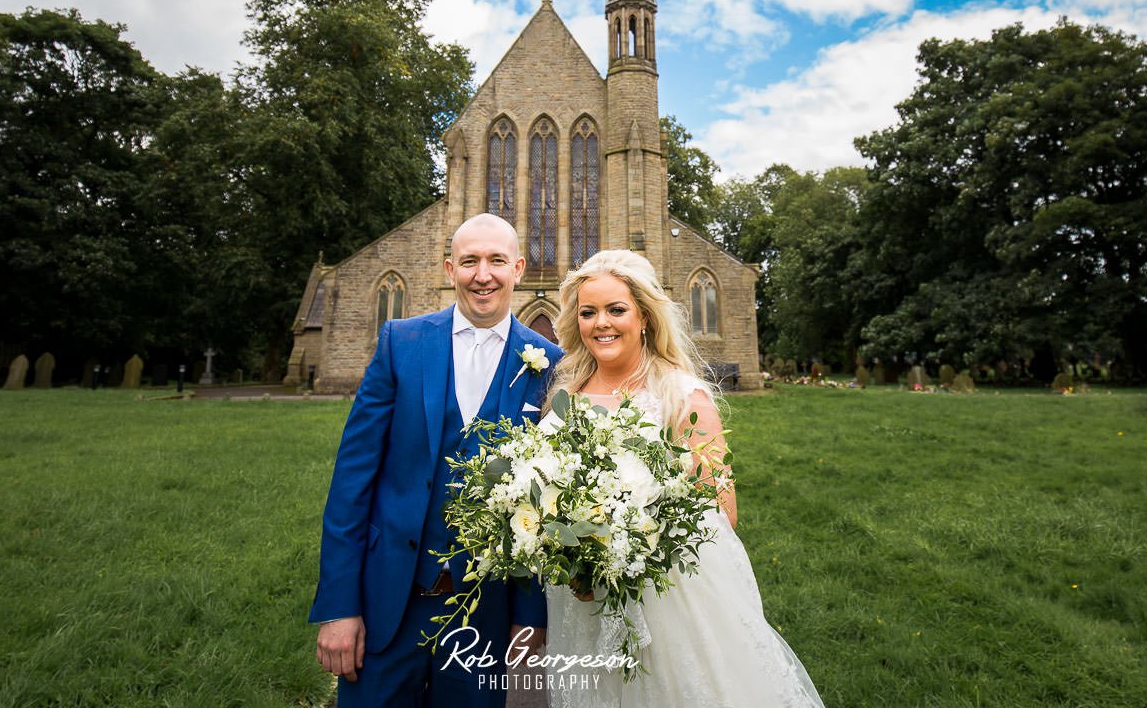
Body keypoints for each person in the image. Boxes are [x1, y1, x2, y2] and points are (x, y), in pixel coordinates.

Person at [542, 249, 825, 707]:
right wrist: (570, 553)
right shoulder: (565, 393)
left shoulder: (679, 395)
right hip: (583, 600)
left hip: (666, 601)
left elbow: (722, 510)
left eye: (616, 310)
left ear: (645, 317)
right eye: (588, 312)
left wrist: (626, 549)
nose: (601, 323)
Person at [310, 213, 563, 707]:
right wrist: (340, 607)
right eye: (469, 261)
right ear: (451, 269)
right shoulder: (400, 343)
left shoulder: (550, 364)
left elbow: (550, 501)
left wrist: (529, 616)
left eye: (495, 261)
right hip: (388, 603)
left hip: (484, 614)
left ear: (518, 267)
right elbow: (351, 482)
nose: (482, 274)